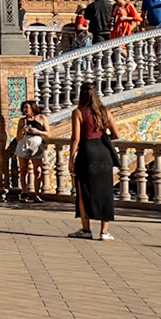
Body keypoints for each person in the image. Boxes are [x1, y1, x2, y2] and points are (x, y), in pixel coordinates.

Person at [70, 85, 118, 240]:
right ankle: (104, 232)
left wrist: (71, 159)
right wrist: (102, 138)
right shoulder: (105, 112)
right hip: (104, 153)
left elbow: (75, 138)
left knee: (83, 191)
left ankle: (86, 229)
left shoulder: (79, 112)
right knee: (105, 192)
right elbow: (116, 134)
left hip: (87, 153)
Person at [13, 100, 48, 201]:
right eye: (23, 108)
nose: (24, 110)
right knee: (23, 170)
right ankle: (24, 192)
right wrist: (22, 130)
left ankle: (36, 193)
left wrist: (37, 131)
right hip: (24, 144)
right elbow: (18, 137)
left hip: (36, 145)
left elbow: (48, 133)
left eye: (26, 107)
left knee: (38, 170)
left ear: (33, 108)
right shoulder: (22, 121)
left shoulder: (41, 118)